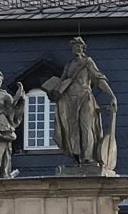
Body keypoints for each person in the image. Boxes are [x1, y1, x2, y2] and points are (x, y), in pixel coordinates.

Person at [43, 36, 118, 172]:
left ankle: (88, 157)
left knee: (87, 126)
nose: (76, 48)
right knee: (73, 130)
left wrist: (112, 96)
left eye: (78, 46)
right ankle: (77, 157)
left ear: (83, 48)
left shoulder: (88, 62)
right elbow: (62, 81)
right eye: (74, 46)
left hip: (85, 98)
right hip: (70, 100)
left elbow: (98, 79)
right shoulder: (69, 65)